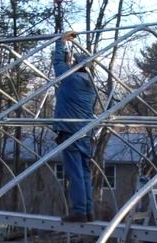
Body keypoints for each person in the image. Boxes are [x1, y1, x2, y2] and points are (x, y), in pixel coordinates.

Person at [53, 30, 96, 223]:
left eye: (73, 63)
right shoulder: (89, 84)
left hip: (70, 133)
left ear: (76, 67)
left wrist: (61, 43)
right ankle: (88, 210)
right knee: (84, 172)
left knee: (75, 173)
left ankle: (79, 211)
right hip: (85, 133)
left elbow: (58, 65)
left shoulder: (71, 80)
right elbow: (64, 65)